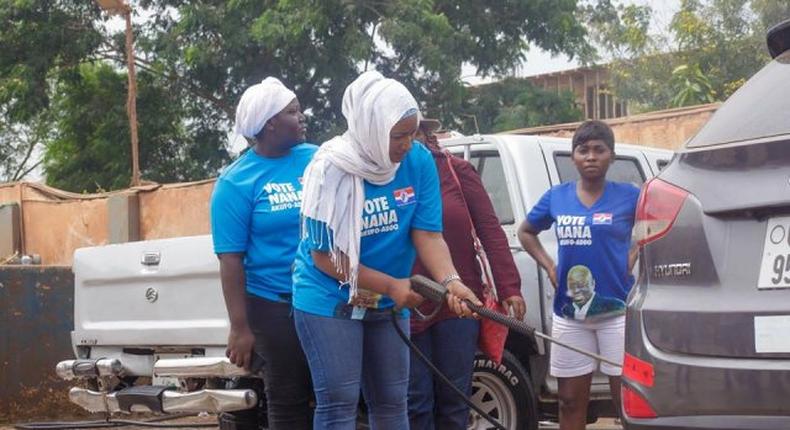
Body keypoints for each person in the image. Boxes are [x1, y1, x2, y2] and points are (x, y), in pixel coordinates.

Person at [292, 71, 482, 430]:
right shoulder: (329, 168)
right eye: (398, 136)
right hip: (329, 297)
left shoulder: (418, 161)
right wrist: (393, 286)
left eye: (412, 134)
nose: (408, 144)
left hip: (386, 300)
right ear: (371, 128)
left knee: (394, 404)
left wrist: (451, 281)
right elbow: (324, 256)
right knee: (339, 405)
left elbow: (428, 235)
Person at [517, 120, 639, 430]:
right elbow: (526, 231)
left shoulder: (629, 196)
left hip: (617, 311)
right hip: (569, 315)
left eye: (599, 150)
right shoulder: (557, 197)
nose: (591, 157)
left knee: (627, 401)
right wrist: (549, 265)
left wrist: (636, 254)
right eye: (583, 150)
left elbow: (658, 225)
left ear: (611, 156)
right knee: (569, 402)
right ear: (573, 157)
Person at [210, 77, 315, 430]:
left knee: (332, 392)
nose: (302, 117)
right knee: (288, 398)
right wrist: (240, 328)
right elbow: (230, 259)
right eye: (293, 111)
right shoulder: (235, 182)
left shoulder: (316, 159)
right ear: (270, 123)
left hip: (321, 296)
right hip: (273, 304)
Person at [408, 118, 526, 430]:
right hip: (406, 301)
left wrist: (509, 287)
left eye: (415, 132)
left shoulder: (456, 171)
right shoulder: (388, 174)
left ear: (426, 135)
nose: (410, 141)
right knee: (414, 400)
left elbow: (489, 228)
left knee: (454, 398)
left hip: (459, 301)